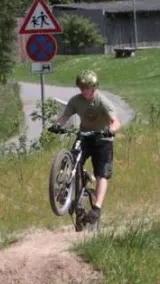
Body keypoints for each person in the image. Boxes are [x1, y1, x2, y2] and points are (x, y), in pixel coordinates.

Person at [48, 70, 121, 226]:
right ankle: (65, 190)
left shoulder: (102, 102)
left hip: (103, 139)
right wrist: (57, 125)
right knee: (71, 160)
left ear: (94, 87)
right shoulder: (75, 101)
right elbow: (65, 116)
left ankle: (97, 208)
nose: (85, 91)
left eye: (88, 88)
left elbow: (116, 122)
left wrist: (111, 130)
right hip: (84, 136)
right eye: (82, 88)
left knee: (102, 174)